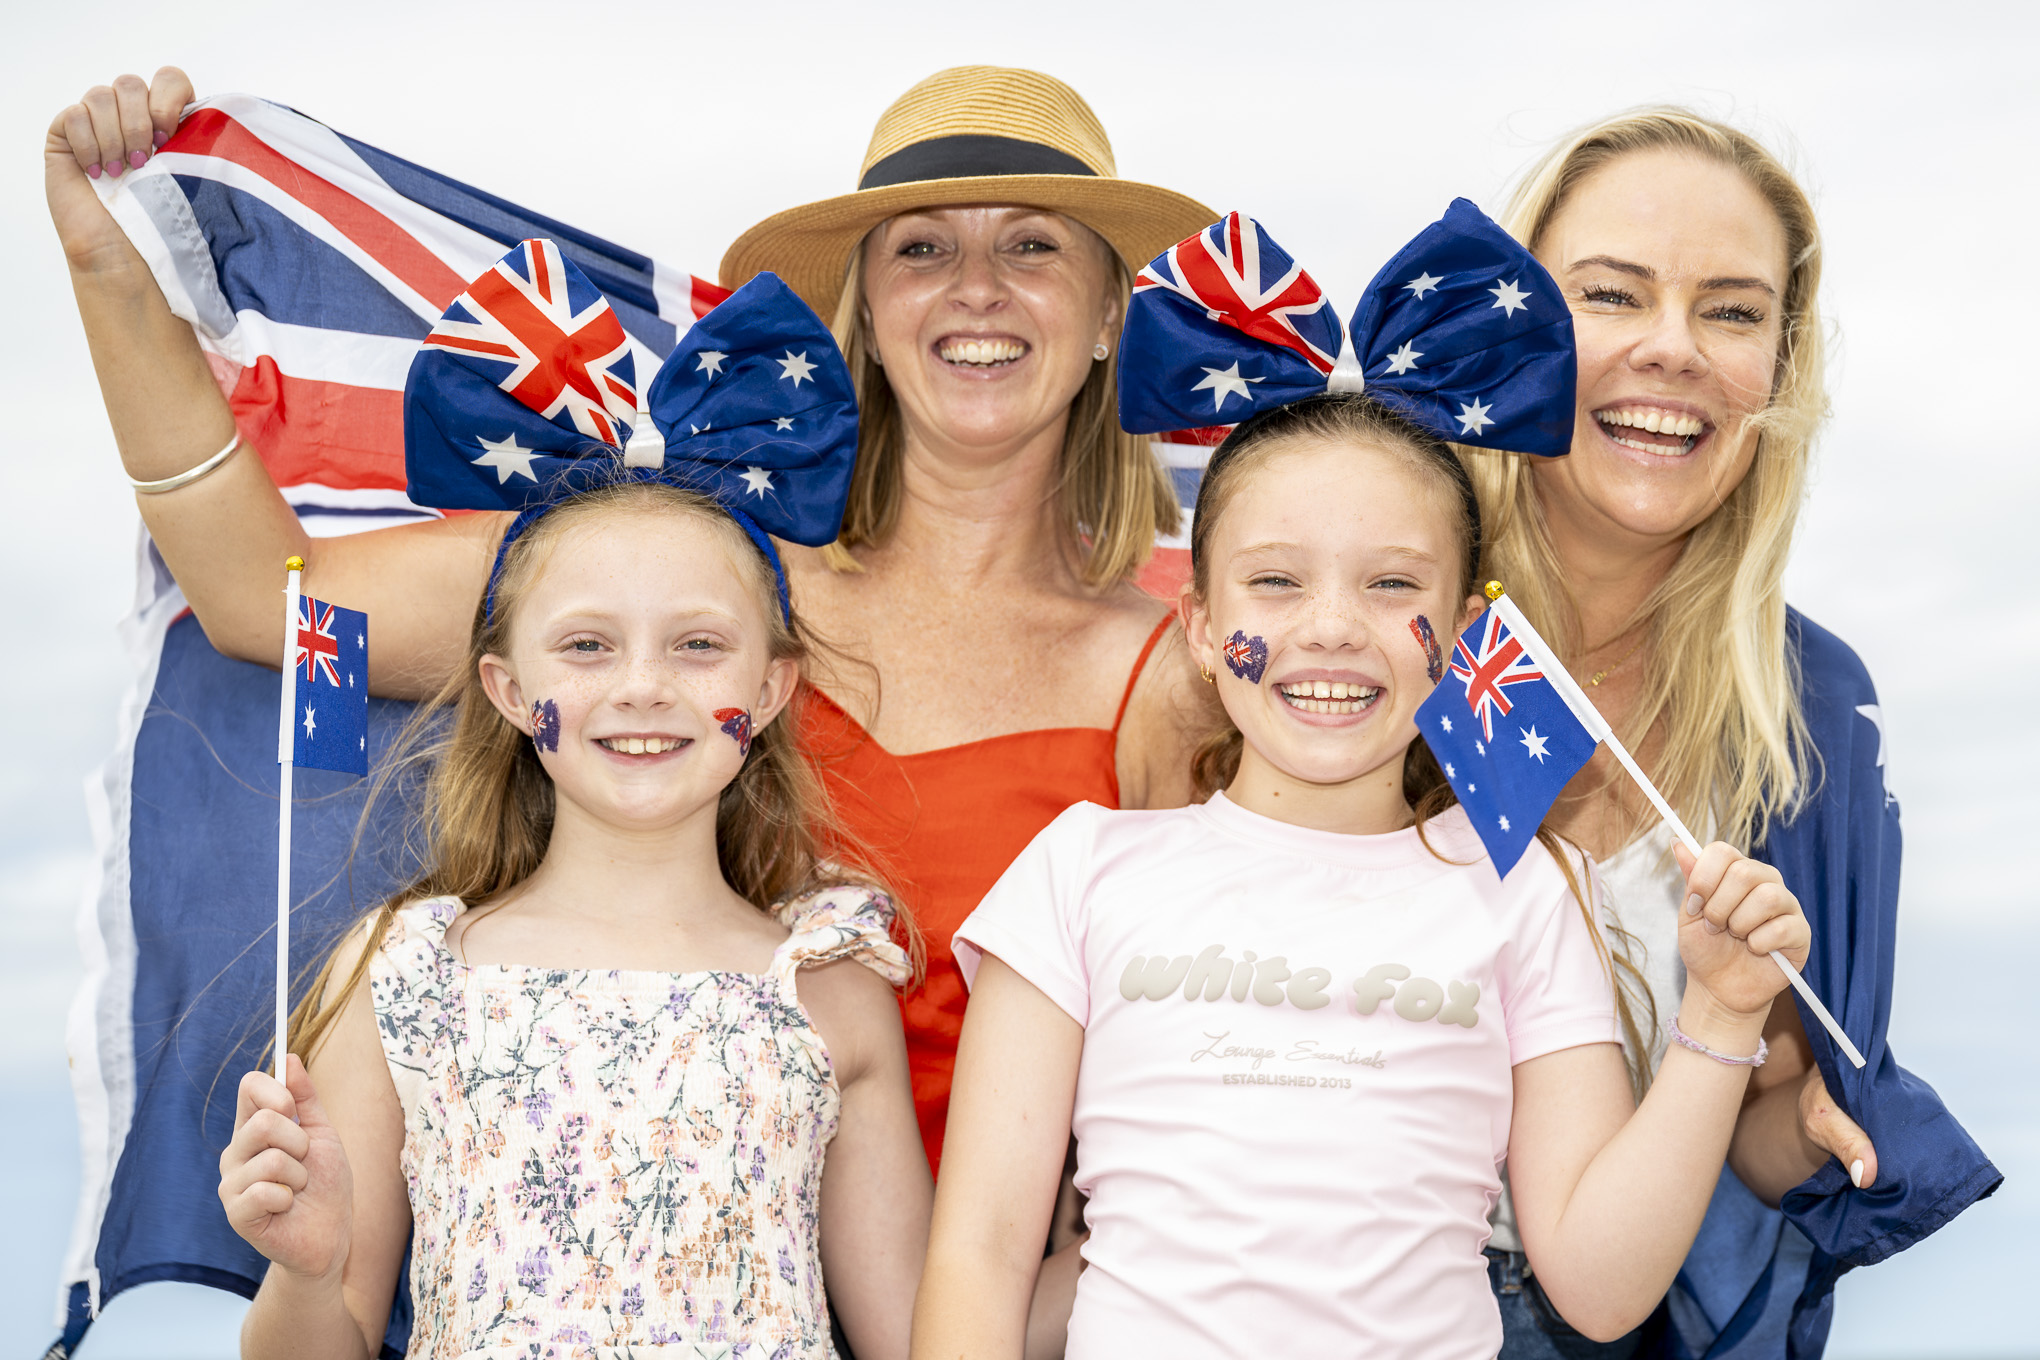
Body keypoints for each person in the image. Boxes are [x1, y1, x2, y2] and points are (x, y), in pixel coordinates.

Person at [45, 64, 1218, 1199]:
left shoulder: (1186, 669)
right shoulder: (689, 589)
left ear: (1111, 312)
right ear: (865, 312)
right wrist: (108, 271)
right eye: (923, 247)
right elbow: (267, 602)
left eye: (1032, 245)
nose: (977, 288)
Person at [916, 202, 1814, 1358]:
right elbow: (983, 1251)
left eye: (1394, 586)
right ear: (1197, 623)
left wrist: (1720, 1017)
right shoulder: (1081, 872)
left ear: (1462, 626)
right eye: (1277, 583)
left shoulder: (1520, 890)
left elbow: (1597, 1281)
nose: (1332, 630)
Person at [215, 251, 931, 1358]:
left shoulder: (830, 979)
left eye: (698, 645)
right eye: (587, 646)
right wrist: (306, 1274)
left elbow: (926, 1342)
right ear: (509, 690)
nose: (643, 685)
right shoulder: (407, 970)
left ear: (773, 686)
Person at [1463, 110, 1999, 1356]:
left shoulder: (1805, 704)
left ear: (1781, 368)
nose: (1672, 350)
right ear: (1517, 317)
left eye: (1733, 310)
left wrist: (1806, 1118)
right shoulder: (1377, 621)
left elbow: (1753, 1112)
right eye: (1611, 293)